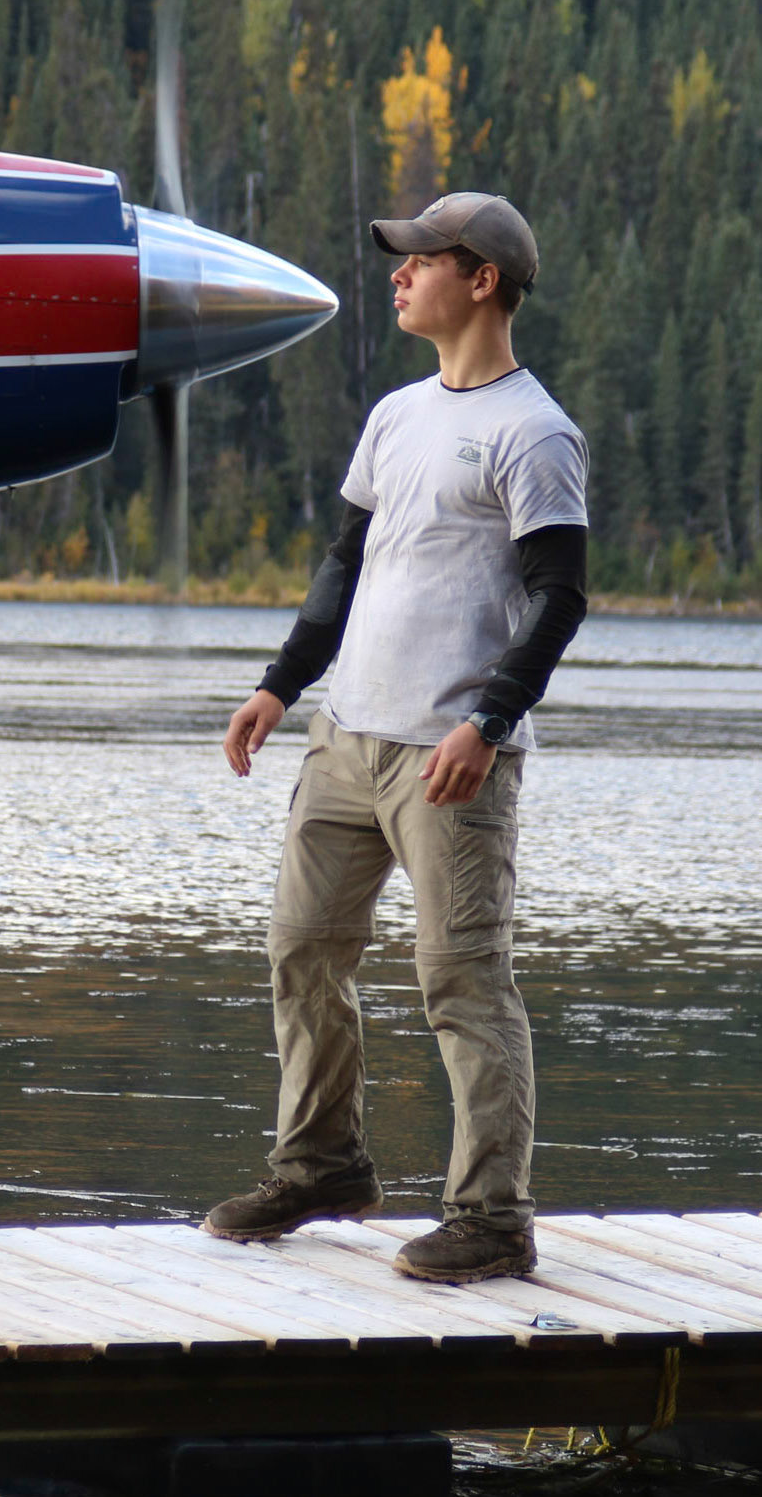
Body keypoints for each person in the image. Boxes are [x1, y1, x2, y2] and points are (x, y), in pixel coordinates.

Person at [204, 192, 588, 1284]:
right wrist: (281, 686)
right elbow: (345, 566)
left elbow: (561, 598)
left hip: (449, 758)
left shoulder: (536, 432)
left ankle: (492, 1216)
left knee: (462, 979)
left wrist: (488, 721)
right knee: (302, 952)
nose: (397, 273)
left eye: (421, 259)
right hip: (344, 739)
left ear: (481, 280)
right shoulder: (396, 415)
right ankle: (320, 1164)